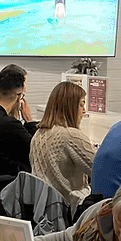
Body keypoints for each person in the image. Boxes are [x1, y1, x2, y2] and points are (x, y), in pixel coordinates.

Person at [30, 81, 96, 210]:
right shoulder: (71, 136)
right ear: (70, 107)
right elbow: (101, 169)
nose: (84, 110)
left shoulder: (38, 135)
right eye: (81, 104)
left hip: (41, 208)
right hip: (69, 209)